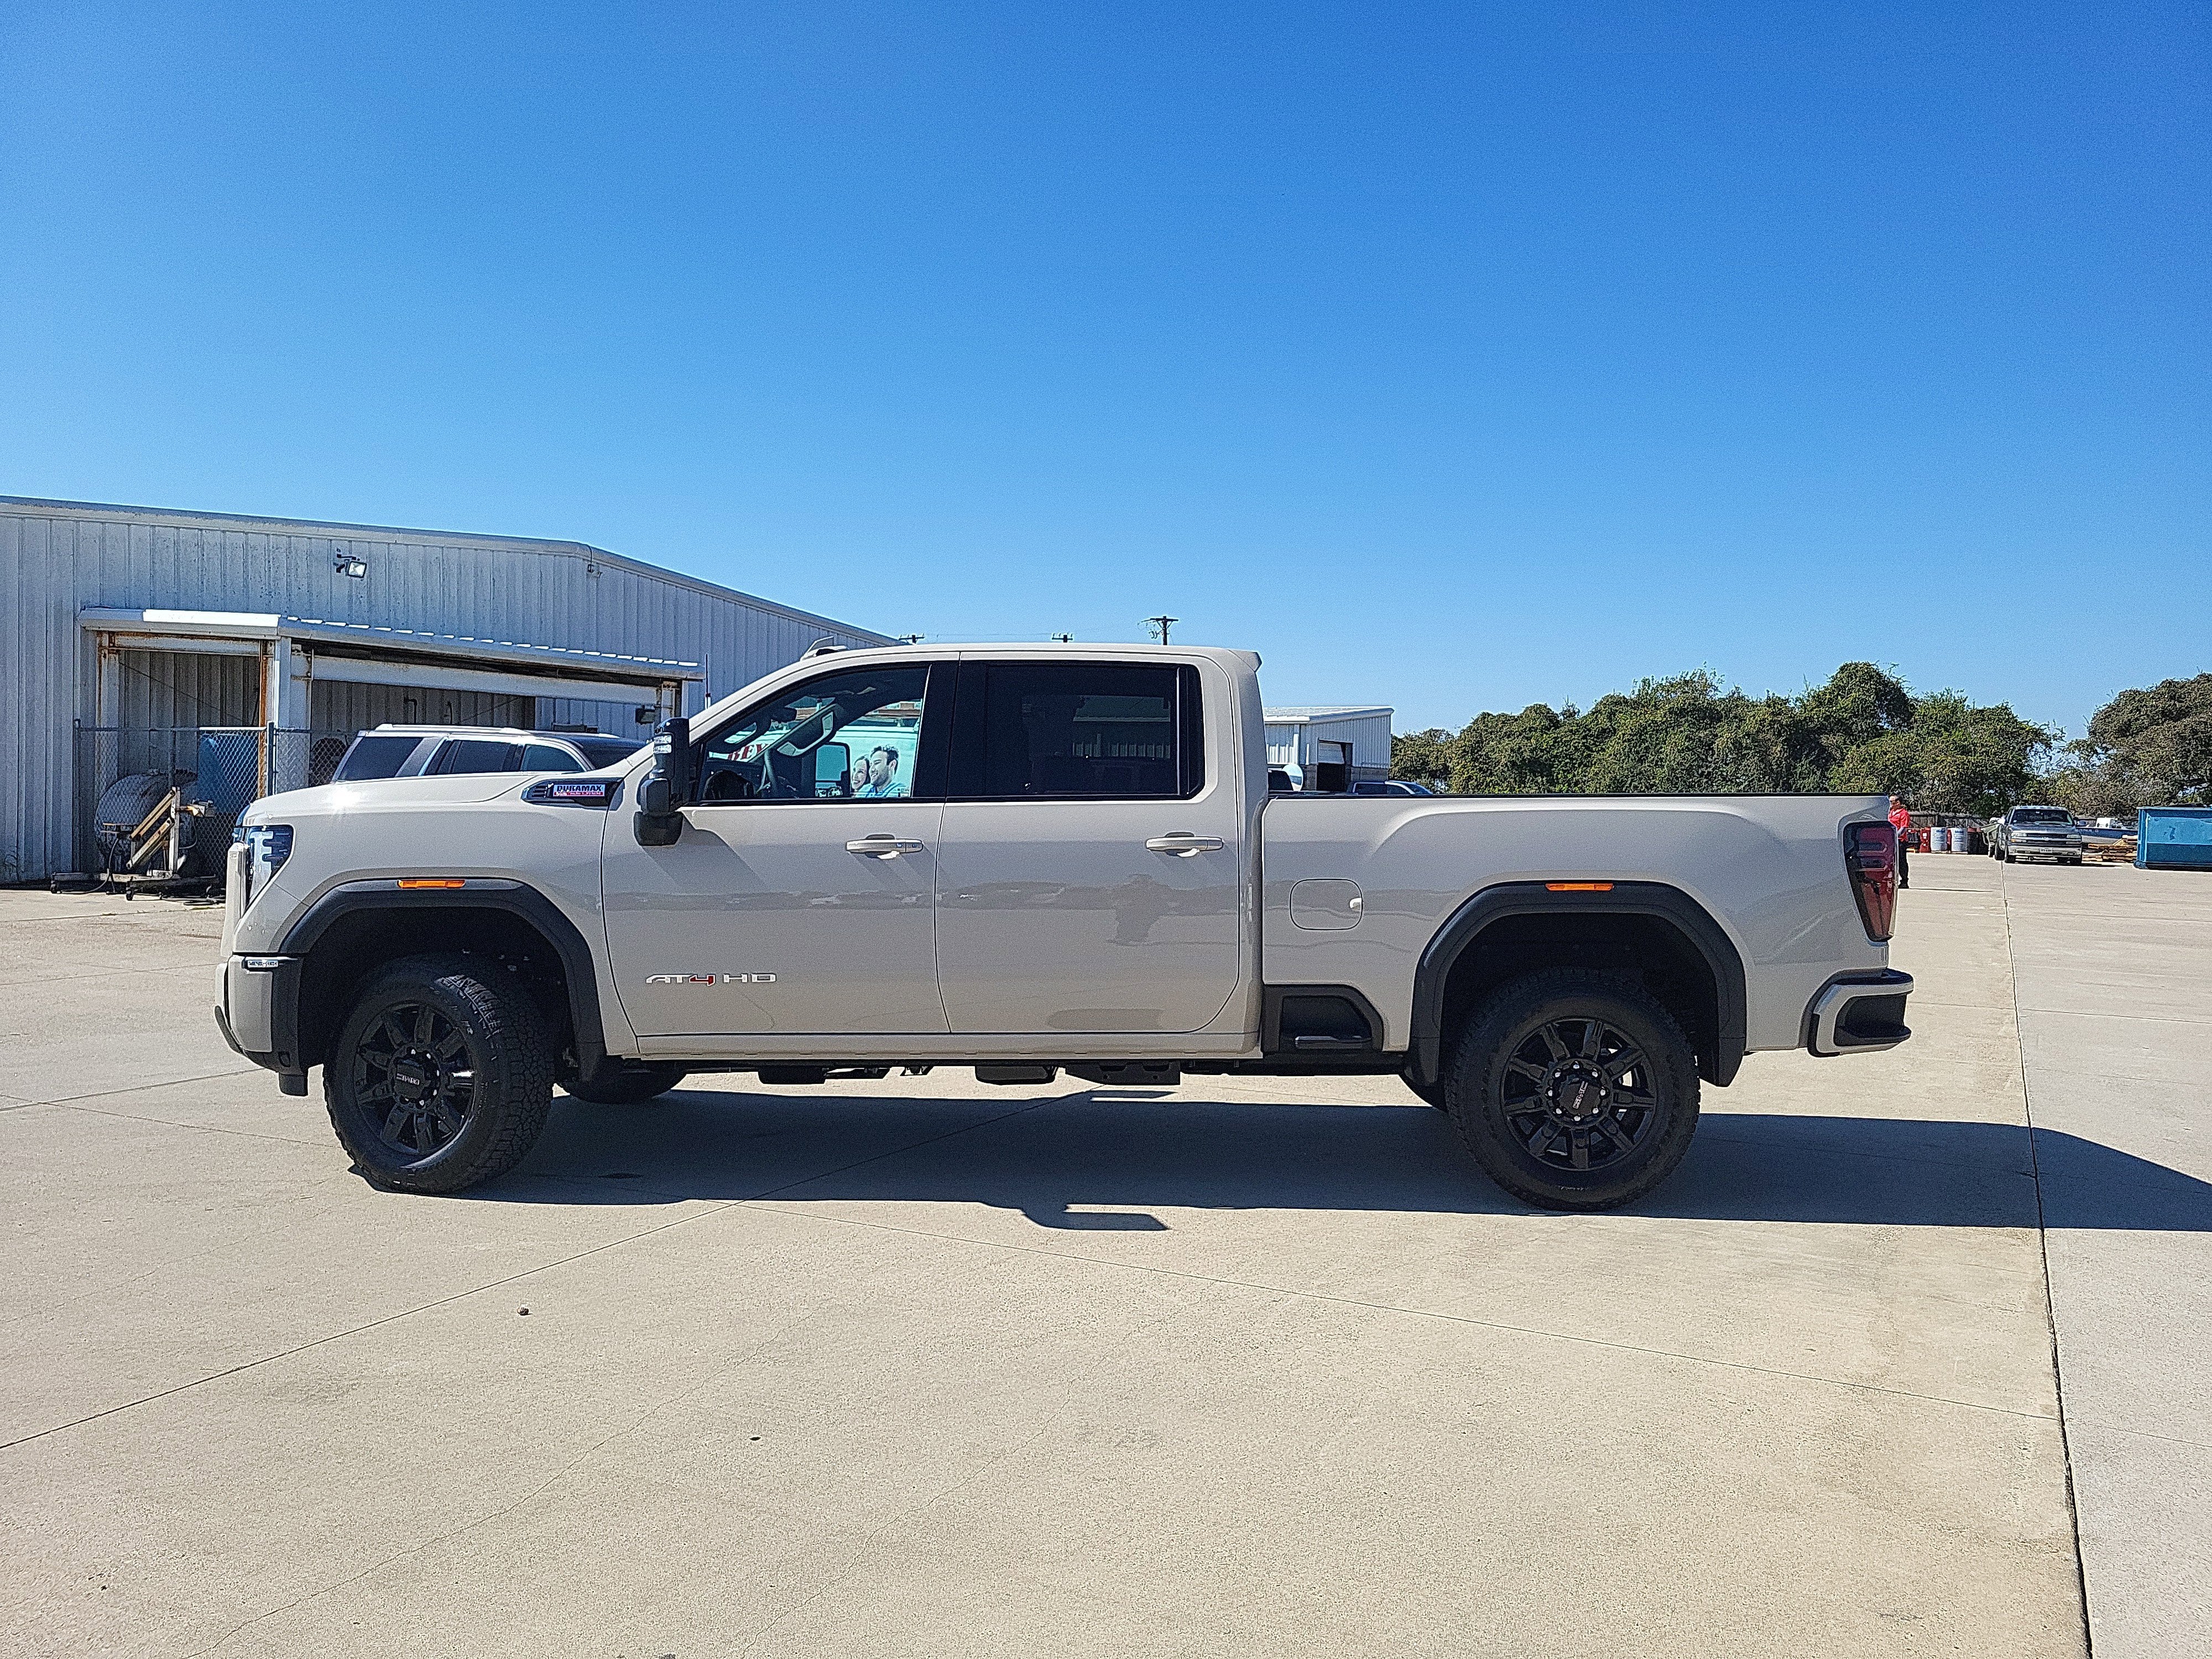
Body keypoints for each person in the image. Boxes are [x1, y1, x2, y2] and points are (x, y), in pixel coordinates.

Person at [1889, 795, 1912, 890]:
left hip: (1900, 841)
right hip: (1890, 841)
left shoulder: (1904, 814)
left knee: (1901, 861)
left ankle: (1904, 881)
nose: (1890, 804)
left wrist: (1895, 837)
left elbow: (1903, 828)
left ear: (1898, 803)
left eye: (1892, 802)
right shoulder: (1890, 813)